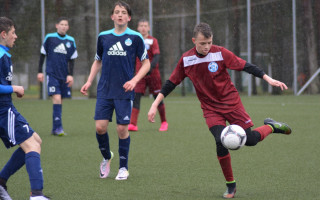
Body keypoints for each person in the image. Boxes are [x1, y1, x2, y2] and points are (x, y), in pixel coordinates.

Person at [148, 22, 292, 199]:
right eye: (202, 43)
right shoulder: (187, 60)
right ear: (194, 41)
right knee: (220, 140)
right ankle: (231, 186)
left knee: (250, 140)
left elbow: (245, 66)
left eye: (209, 42)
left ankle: (271, 126)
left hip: (232, 104)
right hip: (211, 109)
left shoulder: (220, 53)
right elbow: (171, 84)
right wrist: (155, 104)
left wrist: (268, 79)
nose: (206, 46)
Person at [80, 1, 150, 181]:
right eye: (117, 12)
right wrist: (88, 81)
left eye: (123, 12)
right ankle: (106, 157)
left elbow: (146, 63)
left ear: (129, 17)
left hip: (124, 92)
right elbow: (97, 60)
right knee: (100, 127)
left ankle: (123, 168)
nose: (120, 15)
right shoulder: (103, 37)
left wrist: (134, 80)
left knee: (121, 129)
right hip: (104, 90)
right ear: (112, 17)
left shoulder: (135, 38)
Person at [0, 16, 50, 200]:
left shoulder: (4, 53)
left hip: (6, 107)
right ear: (3, 34)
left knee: (36, 140)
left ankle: (1, 181)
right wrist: (14, 88)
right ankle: (36, 194)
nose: (16, 36)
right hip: (3, 110)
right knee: (32, 145)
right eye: (13, 33)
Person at [37, 17, 78, 136]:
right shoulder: (50, 38)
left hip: (64, 76)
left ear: (68, 27)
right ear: (57, 25)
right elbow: (42, 55)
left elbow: (72, 60)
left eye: (66, 24)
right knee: (57, 98)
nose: (64, 26)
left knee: (60, 100)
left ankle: (55, 129)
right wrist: (40, 71)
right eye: (61, 24)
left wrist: (70, 75)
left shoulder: (71, 40)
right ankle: (58, 128)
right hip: (52, 74)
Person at [128, 19, 168, 132]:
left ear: (149, 28)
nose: (143, 28)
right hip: (139, 75)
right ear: (138, 28)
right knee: (136, 97)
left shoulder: (153, 41)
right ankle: (133, 124)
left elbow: (157, 56)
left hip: (153, 74)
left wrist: (149, 68)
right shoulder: (134, 40)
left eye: (145, 26)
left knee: (158, 97)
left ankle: (164, 122)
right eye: (141, 25)